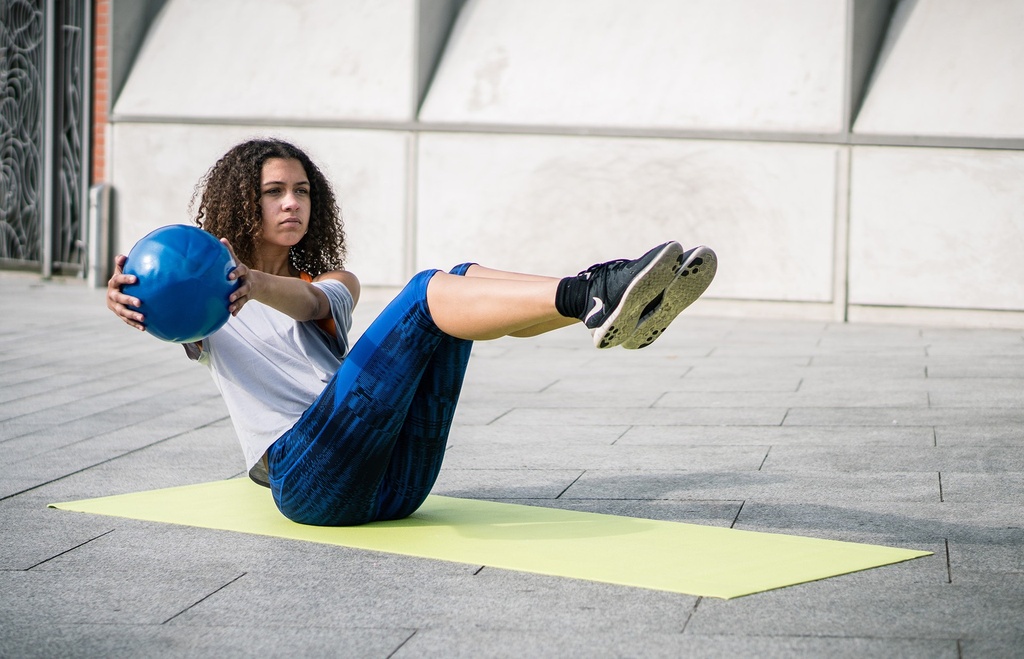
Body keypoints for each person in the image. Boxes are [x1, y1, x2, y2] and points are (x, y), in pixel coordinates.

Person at [106, 138, 717, 527]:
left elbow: (307, 299)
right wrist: (124, 294)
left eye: (302, 191)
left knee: (456, 284)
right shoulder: (207, 310)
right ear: (244, 204)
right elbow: (162, 309)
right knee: (431, 288)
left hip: (397, 482)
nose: (293, 203)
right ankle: (595, 290)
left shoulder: (333, 282)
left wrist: (250, 281)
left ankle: (597, 301)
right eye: (274, 193)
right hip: (309, 483)